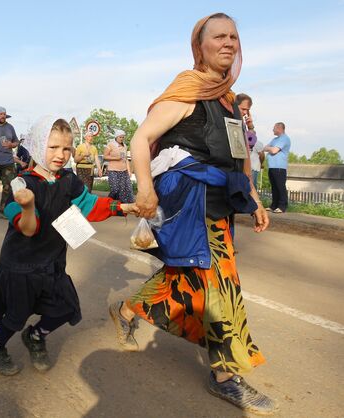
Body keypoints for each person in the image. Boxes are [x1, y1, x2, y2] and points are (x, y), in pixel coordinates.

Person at [108, 13, 277, 415]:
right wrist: (145, 190)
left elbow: (240, 157)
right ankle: (225, 377)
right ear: (199, 47)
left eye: (234, 36)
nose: (229, 43)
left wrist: (253, 197)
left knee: (183, 275)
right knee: (221, 287)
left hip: (220, 206)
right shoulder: (187, 92)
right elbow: (141, 137)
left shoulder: (230, 100)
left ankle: (126, 310)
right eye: (219, 36)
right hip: (190, 208)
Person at [0, 116, 136, 376]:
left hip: (52, 261)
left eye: (66, 148)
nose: (61, 155)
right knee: (16, 315)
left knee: (65, 307)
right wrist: (29, 206)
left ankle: (36, 336)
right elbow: (28, 228)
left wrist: (125, 207)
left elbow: (89, 205)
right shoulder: (22, 184)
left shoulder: (69, 180)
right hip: (22, 264)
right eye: (53, 147)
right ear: (39, 144)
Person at [264, 123, 291, 213]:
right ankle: (274, 205)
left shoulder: (284, 138)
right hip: (272, 166)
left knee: (280, 186)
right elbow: (265, 148)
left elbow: (274, 150)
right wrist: (270, 148)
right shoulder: (275, 139)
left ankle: (282, 206)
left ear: (279, 128)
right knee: (274, 187)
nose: (273, 130)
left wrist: (270, 148)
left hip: (279, 167)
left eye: (274, 128)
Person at [103, 129, 135, 203]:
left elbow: (125, 159)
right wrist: (116, 158)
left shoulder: (125, 146)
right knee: (115, 189)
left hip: (124, 170)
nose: (122, 139)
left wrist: (129, 171)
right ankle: (107, 202)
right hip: (113, 170)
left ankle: (121, 205)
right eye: (120, 137)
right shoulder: (110, 145)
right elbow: (105, 156)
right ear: (116, 137)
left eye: (123, 137)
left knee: (124, 189)